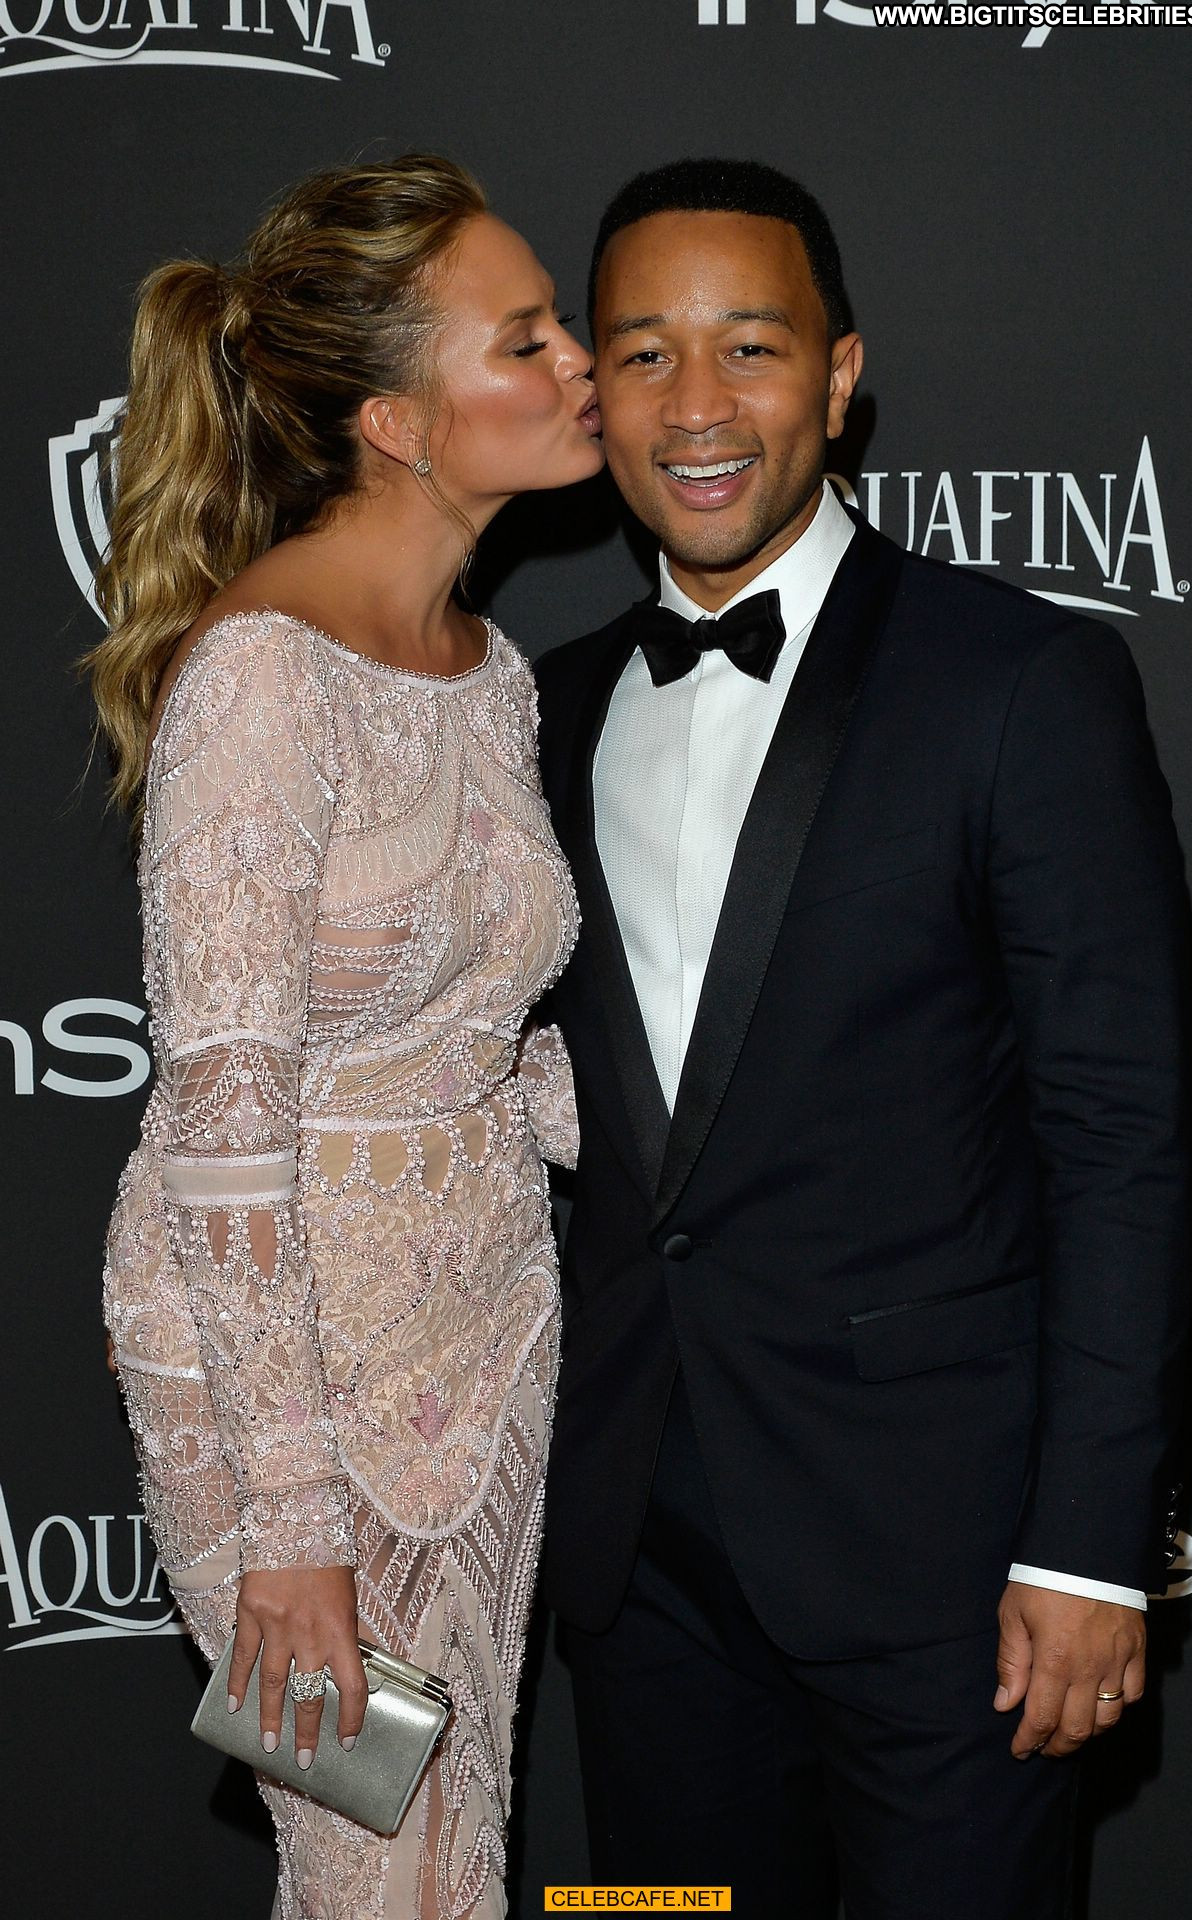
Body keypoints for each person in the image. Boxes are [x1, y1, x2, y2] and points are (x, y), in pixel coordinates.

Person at [532, 158, 1192, 1919]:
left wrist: (1092, 1552)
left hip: (953, 1575)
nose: (695, 405)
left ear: (837, 377)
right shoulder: (542, 712)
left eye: (749, 348)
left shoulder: (1019, 680)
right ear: (595, 389)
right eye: (645, 353)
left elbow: (1122, 1142)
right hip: (637, 1570)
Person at [91, 153, 601, 1920]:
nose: (580, 362)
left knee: (464, 1854)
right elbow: (224, 1122)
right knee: (382, 1876)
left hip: (487, 1331)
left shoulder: (493, 669)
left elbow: (473, 1023)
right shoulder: (263, 673)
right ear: (396, 422)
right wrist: (290, 1526)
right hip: (277, 1383)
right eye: (524, 340)